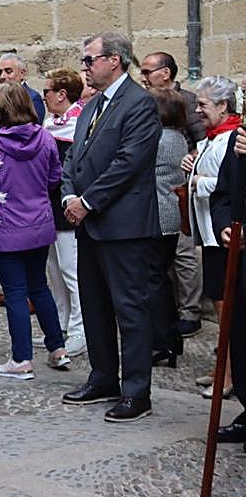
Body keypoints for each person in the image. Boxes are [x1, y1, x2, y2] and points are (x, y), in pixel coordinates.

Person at [60, 31, 161, 422]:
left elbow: (128, 162)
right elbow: (74, 158)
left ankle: (137, 390)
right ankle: (103, 376)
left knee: (129, 309)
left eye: (89, 60)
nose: (85, 67)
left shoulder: (138, 104)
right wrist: (69, 196)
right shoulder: (92, 106)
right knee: (95, 304)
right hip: (89, 224)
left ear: (113, 60)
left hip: (123, 226)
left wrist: (87, 201)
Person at [0, 83, 71, 380]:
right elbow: (55, 177)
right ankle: (57, 348)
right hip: (39, 222)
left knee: (15, 292)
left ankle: (21, 358)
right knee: (39, 287)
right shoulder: (45, 137)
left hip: (6, 225)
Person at [184, 76, 241, 398]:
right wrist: (191, 166)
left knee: (227, 308)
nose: (197, 110)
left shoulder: (234, 137)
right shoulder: (213, 137)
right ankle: (224, 368)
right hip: (209, 233)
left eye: (203, 104)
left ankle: (232, 373)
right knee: (221, 306)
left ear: (223, 105)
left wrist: (197, 182)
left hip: (223, 235)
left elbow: (227, 184)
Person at [141, 52, 206, 337]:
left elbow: (202, 139)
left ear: (165, 73)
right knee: (163, 266)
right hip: (169, 189)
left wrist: (191, 161)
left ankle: (190, 312)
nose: (143, 76)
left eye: (148, 71)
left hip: (177, 191)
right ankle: (170, 319)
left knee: (182, 254)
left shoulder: (187, 101)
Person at [42, 68, 88, 357]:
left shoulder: (77, 124)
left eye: (47, 91)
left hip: (67, 205)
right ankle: (59, 324)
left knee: (72, 272)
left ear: (62, 94)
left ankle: (79, 329)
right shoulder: (51, 122)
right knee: (54, 271)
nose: (43, 96)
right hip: (48, 204)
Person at [209, 120, 246, 446]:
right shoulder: (239, 137)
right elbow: (222, 194)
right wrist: (224, 226)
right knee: (241, 334)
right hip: (241, 259)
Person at [146, 87, 189, 368]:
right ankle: (170, 339)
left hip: (159, 216)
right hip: (169, 216)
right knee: (160, 279)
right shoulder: (178, 138)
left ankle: (163, 341)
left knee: (154, 281)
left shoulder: (160, 139)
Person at [0, 53, 45, 128]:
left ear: (22, 73)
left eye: (8, 71)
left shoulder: (32, 97)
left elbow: (32, 132)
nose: (2, 76)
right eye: (0, 72)